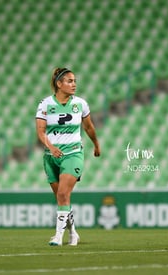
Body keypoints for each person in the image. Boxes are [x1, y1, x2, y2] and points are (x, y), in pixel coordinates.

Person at [35, 67, 101, 246]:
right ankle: (73, 232)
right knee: (61, 199)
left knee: (64, 193)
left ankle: (58, 236)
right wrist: (51, 146)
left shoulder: (80, 103)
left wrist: (96, 144)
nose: (74, 84)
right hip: (50, 156)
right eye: (70, 81)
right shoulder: (45, 104)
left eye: (75, 81)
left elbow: (88, 127)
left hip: (73, 154)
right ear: (59, 84)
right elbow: (40, 131)